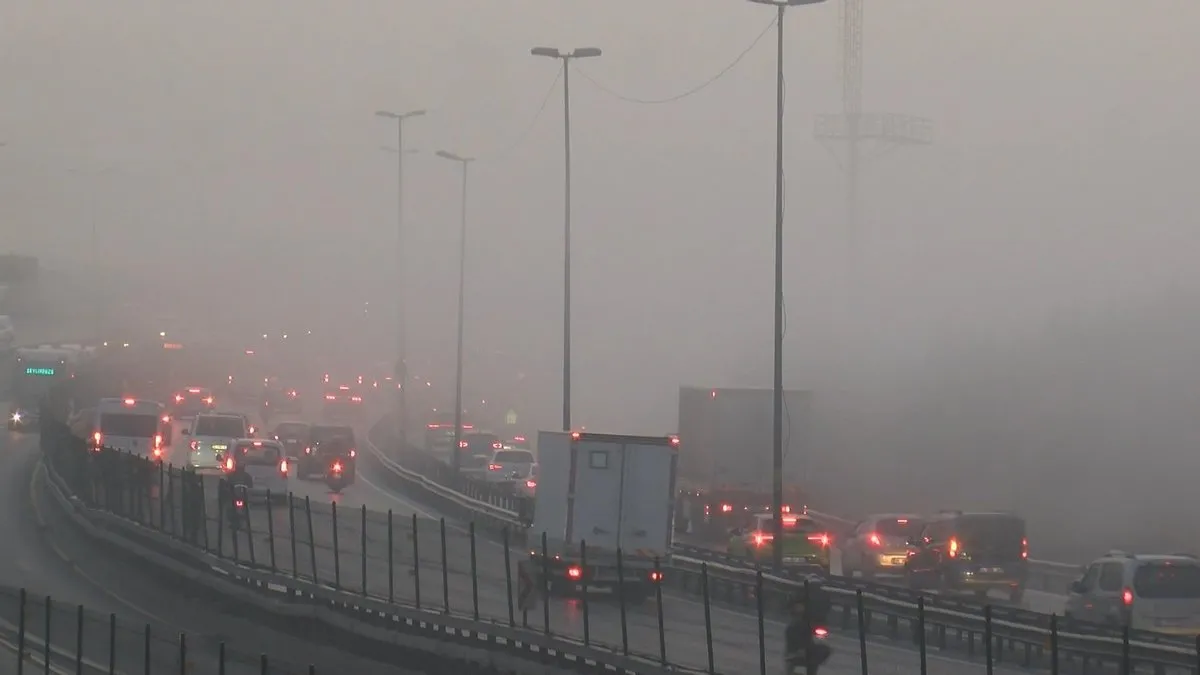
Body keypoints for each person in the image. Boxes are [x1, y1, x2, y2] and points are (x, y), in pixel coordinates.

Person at [784, 580, 832, 673]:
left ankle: (794, 652)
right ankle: (796, 652)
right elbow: (828, 608)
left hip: (811, 624)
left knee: (790, 630)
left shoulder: (803, 594)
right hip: (819, 624)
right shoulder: (824, 595)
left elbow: (792, 605)